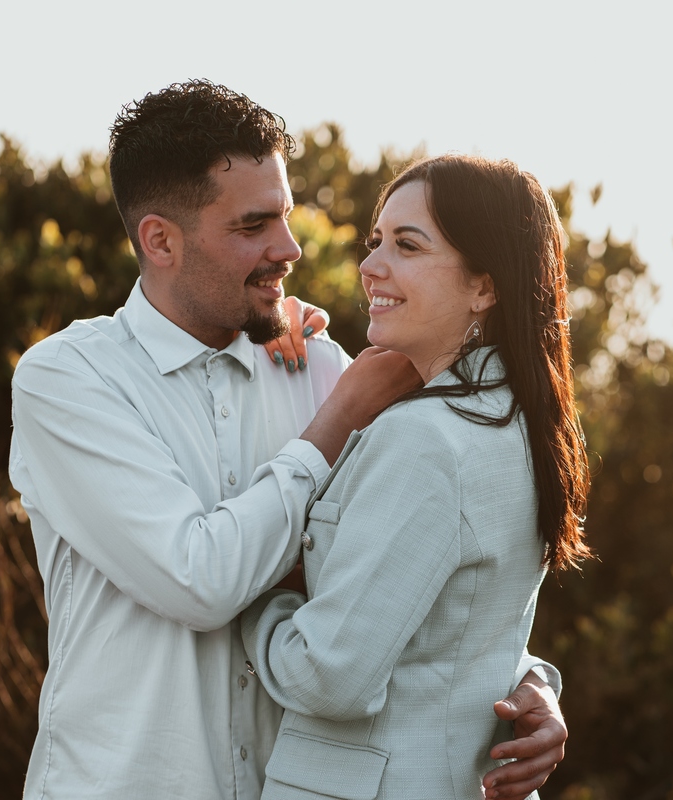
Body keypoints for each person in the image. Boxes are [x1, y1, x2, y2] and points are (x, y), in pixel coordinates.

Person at [8, 80, 567, 800]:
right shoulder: (71, 380)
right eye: (252, 226)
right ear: (160, 240)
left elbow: (403, 577)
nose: (290, 248)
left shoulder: (324, 368)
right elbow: (199, 578)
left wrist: (523, 680)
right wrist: (332, 423)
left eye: (286, 217)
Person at [241, 154, 591, 800]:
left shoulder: (426, 440)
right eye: (376, 243)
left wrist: (255, 590)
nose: (372, 266)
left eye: (407, 245)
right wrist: (535, 677)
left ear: (484, 286)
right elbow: (462, 625)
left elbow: (331, 674)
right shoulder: (520, 421)